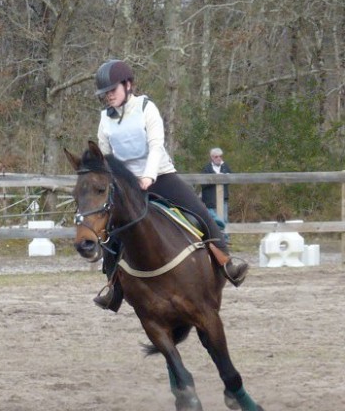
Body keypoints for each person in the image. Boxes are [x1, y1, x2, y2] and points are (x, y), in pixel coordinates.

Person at [92, 59, 248, 311]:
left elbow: (156, 146)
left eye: (112, 90)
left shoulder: (146, 108)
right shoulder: (105, 119)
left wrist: (148, 176)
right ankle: (113, 286)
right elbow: (105, 156)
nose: (108, 96)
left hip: (160, 176)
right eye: (105, 93)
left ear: (128, 85)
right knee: (111, 231)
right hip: (127, 187)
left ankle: (225, 260)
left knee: (198, 211)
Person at [201, 147, 231, 230]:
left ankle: (225, 241)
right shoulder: (206, 169)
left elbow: (230, 179)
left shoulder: (225, 167)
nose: (219, 158)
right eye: (216, 156)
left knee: (224, 220)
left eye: (220, 156)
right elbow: (203, 184)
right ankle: (214, 240)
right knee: (212, 221)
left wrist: (223, 177)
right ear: (212, 157)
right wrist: (215, 178)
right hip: (210, 201)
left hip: (223, 200)